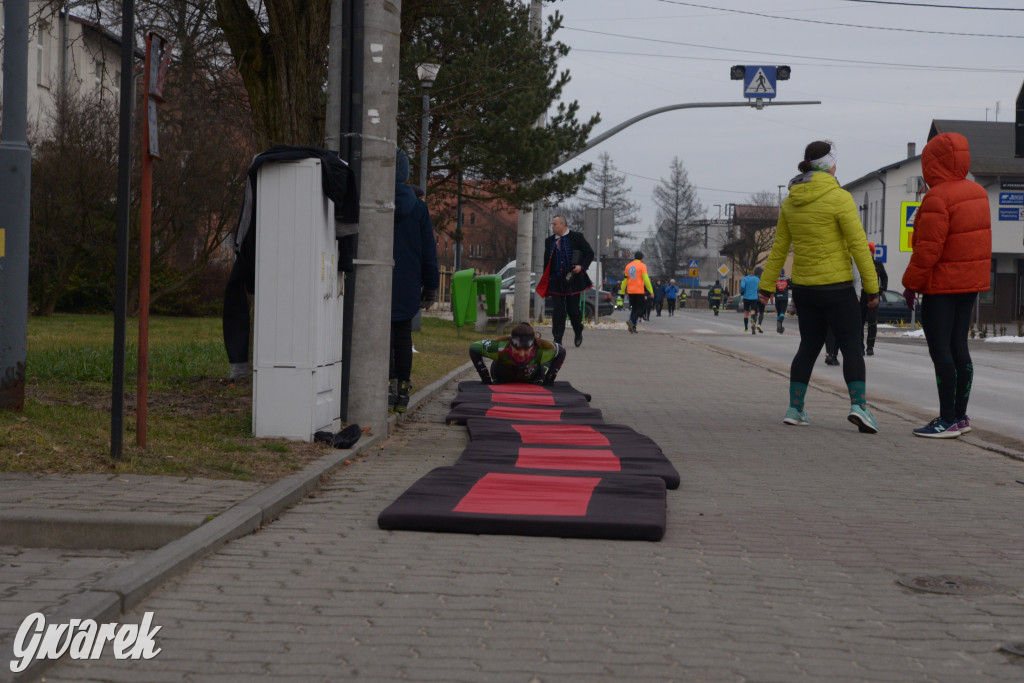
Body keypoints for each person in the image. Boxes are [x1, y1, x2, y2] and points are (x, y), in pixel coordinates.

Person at [757, 139, 880, 433]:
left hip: (805, 289)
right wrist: (872, 288)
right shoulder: (840, 198)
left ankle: (795, 409)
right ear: (831, 165)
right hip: (837, 288)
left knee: (808, 345)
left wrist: (765, 287)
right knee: (851, 344)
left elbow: (779, 250)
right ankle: (859, 407)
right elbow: (859, 247)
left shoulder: (791, 201)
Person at [902, 132, 991, 438]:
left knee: (941, 351)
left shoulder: (937, 197)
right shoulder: (978, 193)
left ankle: (946, 419)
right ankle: (960, 416)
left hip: (940, 286)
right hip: (969, 286)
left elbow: (929, 248)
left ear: (932, 163)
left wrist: (911, 284)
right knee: (959, 348)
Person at [390, 149, 440, 413]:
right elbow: (429, 251)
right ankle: (402, 389)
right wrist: (430, 286)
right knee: (402, 334)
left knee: (381, 334)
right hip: (408, 281)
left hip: (378, 277)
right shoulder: (419, 209)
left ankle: (386, 384)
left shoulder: (374, 204)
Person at [539, 214, 594, 347]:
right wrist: (547, 278)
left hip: (573, 281)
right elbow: (547, 261)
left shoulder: (577, 237)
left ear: (563, 225)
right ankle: (557, 339)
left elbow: (589, 253)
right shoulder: (549, 241)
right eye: (552, 224)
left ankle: (578, 330)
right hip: (556, 281)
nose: (552, 226)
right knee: (558, 311)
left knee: (573, 310)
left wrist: (581, 267)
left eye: (555, 224)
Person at [469, 322, 566, 385]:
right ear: (510, 345)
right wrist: (485, 377)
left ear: (533, 347)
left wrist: (550, 379)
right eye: (517, 349)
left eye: (526, 349)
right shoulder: (498, 347)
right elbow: (473, 348)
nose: (521, 354)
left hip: (532, 380)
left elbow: (562, 352)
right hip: (502, 380)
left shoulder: (542, 350)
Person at [861, 241, 889, 356]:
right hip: (862, 296)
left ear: (872, 252)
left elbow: (884, 277)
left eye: (869, 250)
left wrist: (882, 289)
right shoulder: (860, 264)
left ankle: (870, 347)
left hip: (874, 296)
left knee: (872, 323)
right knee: (860, 323)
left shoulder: (878, 264)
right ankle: (860, 346)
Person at [620, 251, 653, 334]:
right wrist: (651, 291)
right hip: (639, 291)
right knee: (640, 309)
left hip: (630, 291)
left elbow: (624, 281)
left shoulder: (628, 266)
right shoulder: (642, 266)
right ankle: (631, 321)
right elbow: (646, 279)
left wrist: (622, 292)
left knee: (634, 308)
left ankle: (633, 327)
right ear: (642, 258)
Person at [740, 268, 763, 334]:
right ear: (753, 272)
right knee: (753, 311)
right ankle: (752, 320)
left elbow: (742, 287)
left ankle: (746, 328)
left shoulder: (744, 279)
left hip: (746, 297)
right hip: (754, 298)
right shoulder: (757, 279)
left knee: (746, 313)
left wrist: (742, 292)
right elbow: (759, 288)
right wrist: (757, 292)